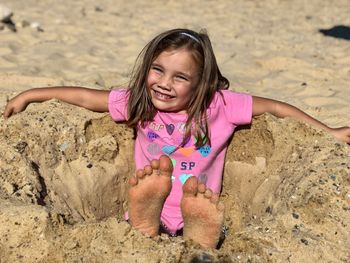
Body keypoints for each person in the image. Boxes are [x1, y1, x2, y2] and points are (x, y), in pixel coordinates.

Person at [3, 28, 350, 249]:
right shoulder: (138, 101)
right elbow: (85, 97)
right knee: (144, 226)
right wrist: (33, 93)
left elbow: (275, 107)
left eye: (180, 77)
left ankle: (197, 237)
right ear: (147, 69)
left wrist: (327, 130)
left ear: (202, 84)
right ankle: (144, 223)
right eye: (158, 70)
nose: (164, 83)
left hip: (198, 204)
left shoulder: (220, 105)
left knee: (202, 221)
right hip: (153, 201)